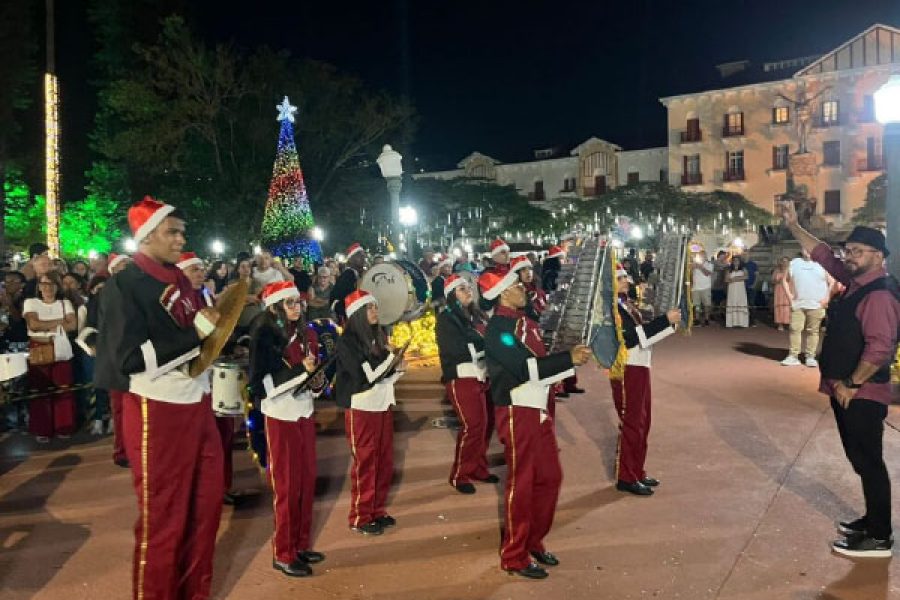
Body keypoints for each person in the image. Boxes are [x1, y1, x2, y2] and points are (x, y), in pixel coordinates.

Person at [94, 196, 224, 599]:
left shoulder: (179, 279)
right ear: (146, 236)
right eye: (173, 231)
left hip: (197, 403)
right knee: (164, 521)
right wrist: (195, 334)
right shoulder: (123, 286)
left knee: (205, 511)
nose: (181, 238)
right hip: (156, 412)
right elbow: (130, 359)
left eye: (182, 230)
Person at [782, 202, 899, 558]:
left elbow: (880, 346)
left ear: (878, 256)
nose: (848, 257)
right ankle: (872, 520)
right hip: (845, 387)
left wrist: (852, 383)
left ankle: (879, 537)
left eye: (856, 252)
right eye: (847, 250)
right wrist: (793, 225)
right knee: (861, 459)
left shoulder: (878, 292)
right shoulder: (857, 281)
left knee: (869, 461)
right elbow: (822, 255)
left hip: (861, 391)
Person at [480, 269, 591, 579]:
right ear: (503, 293)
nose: (522, 288)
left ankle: (533, 540)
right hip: (518, 411)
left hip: (537, 408)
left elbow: (539, 367)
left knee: (550, 478)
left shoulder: (522, 322)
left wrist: (569, 360)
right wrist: (567, 360)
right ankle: (514, 554)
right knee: (523, 482)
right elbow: (524, 367)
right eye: (516, 286)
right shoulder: (499, 329)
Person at [249, 281, 326, 577]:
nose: (297, 307)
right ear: (275, 307)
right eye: (290, 303)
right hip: (280, 416)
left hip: (304, 411)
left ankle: (301, 544)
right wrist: (300, 373)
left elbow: (311, 372)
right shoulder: (264, 335)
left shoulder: (307, 333)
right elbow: (262, 384)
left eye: (298, 302)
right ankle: (283, 552)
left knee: (306, 481)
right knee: (286, 486)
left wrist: (317, 382)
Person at [335, 290, 403, 536]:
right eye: (370, 308)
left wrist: (397, 366)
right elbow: (365, 376)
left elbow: (383, 373)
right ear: (358, 314)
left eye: (375, 307)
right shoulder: (348, 341)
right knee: (365, 462)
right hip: (362, 406)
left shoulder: (377, 335)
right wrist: (390, 361)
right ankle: (360, 516)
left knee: (384, 460)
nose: (375, 311)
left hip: (382, 403)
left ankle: (377, 509)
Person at [609, 265, 681, 497]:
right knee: (631, 422)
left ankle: (637, 470)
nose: (626, 282)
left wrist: (668, 325)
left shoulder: (624, 304)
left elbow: (642, 336)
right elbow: (631, 338)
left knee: (643, 421)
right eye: (620, 278)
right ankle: (626, 476)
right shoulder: (611, 308)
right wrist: (663, 321)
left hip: (639, 364)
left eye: (625, 278)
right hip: (626, 367)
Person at [435, 274, 496, 495]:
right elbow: (458, 349)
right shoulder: (447, 318)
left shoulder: (475, 314)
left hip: (482, 375)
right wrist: (486, 345)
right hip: (462, 377)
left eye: (468, 287)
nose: (468, 290)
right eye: (461, 289)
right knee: (472, 426)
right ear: (452, 294)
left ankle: (479, 467)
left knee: (486, 424)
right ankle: (460, 474)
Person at [23, 271, 77, 443]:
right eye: (44, 284)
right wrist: (59, 323)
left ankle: (64, 426)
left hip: (60, 347)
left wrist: (45, 326)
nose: (47, 288)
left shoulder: (64, 303)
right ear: (39, 287)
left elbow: (72, 324)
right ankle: (42, 428)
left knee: (63, 388)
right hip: (39, 347)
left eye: (51, 284)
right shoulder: (30, 302)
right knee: (40, 389)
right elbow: (33, 324)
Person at [781, 249, 831, 367]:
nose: (807, 251)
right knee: (794, 329)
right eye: (805, 249)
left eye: (810, 249)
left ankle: (810, 356)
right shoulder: (794, 263)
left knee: (813, 331)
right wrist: (790, 298)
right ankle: (793, 355)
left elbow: (832, 282)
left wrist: (826, 298)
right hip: (798, 304)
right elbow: (784, 280)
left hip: (816, 304)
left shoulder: (823, 264)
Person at [1, 271, 29, 432]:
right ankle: (12, 418)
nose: (8, 284)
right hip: (6, 345)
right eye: (6, 281)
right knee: (8, 384)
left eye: (13, 281)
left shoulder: (26, 300)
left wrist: (10, 304)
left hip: (21, 345)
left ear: (22, 284)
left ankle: (24, 417)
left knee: (21, 382)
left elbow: (19, 320)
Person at [330, 243, 366, 324]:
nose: (363, 258)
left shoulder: (357, 274)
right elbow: (338, 298)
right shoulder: (348, 275)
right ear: (351, 259)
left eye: (364, 256)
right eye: (360, 256)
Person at [725, 256, 749, 328]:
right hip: (732, 288)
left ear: (740, 261)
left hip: (740, 289)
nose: (735, 262)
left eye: (737, 260)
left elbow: (746, 277)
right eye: (734, 260)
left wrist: (735, 278)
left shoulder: (743, 269)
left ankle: (742, 322)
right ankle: (731, 323)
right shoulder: (729, 270)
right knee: (732, 302)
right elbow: (726, 279)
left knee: (741, 302)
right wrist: (731, 280)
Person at [690, 251, 713, 326]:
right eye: (700, 256)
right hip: (696, 288)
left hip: (705, 287)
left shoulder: (709, 264)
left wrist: (700, 267)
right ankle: (697, 319)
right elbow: (690, 272)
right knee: (697, 305)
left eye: (703, 256)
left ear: (706, 257)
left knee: (707, 304)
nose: (701, 257)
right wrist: (693, 267)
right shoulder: (694, 264)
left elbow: (707, 273)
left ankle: (707, 319)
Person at [771, 257, 792, 331]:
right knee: (779, 306)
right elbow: (772, 281)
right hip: (779, 290)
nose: (784, 263)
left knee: (788, 306)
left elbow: (791, 279)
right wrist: (778, 282)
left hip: (788, 290)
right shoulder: (777, 270)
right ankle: (780, 324)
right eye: (783, 261)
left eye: (786, 261)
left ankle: (789, 323)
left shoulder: (791, 270)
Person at [711, 250, 729, 321]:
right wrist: (726, 266)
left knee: (722, 301)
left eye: (725, 256)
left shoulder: (725, 263)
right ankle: (712, 314)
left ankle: (720, 313)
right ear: (719, 255)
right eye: (723, 256)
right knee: (714, 301)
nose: (724, 257)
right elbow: (720, 267)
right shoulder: (714, 263)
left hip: (722, 285)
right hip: (714, 284)